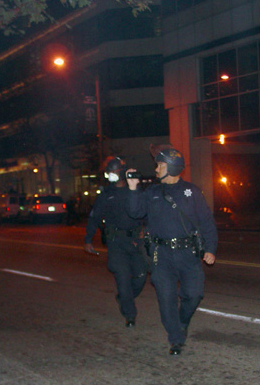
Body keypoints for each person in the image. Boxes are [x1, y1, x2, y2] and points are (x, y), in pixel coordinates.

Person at [126, 146, 218, 355]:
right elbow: (135, 212)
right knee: (166, 298)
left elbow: (207, 223)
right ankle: (176, 339)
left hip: (188, 253)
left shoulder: (191, 192)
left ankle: (182, 322)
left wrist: (210, 248)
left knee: (194, 294)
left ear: (171, 167)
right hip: (161, 254)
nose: (156, 169)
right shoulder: (152, 193)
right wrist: (132, 188)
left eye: (160, 165)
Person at [85, 156, 148, 327]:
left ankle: (124, 297)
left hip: (134, 241)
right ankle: (130, 314)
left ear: (121, 172)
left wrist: (147, 230)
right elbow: (94, 217)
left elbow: (146, 213)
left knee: (141, 276)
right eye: (109, 172)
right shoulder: (106, 195)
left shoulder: (134, 190)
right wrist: (88, 239)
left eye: (113, 172)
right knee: (123, 277)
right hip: (116, 242)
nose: (110, 175)